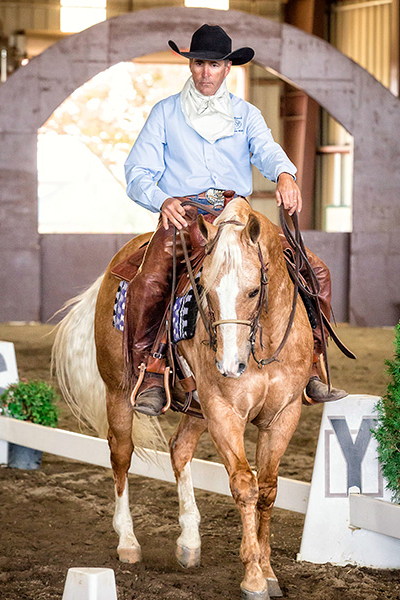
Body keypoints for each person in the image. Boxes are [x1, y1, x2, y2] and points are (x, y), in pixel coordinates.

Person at [123, 24, 347, 416]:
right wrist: (162, 200)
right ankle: (151, 371)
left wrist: (285, 174)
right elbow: (137, 171)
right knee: (151, 280)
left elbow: (267, 150)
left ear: (227, 67)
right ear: (190, 67)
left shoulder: (246, 114)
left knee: (317, 271)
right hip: (185, 214)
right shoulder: (164, 113)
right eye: (197, 64)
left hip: (238, 213)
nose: (204, 72)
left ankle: (313, 363)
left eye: (212, 64)